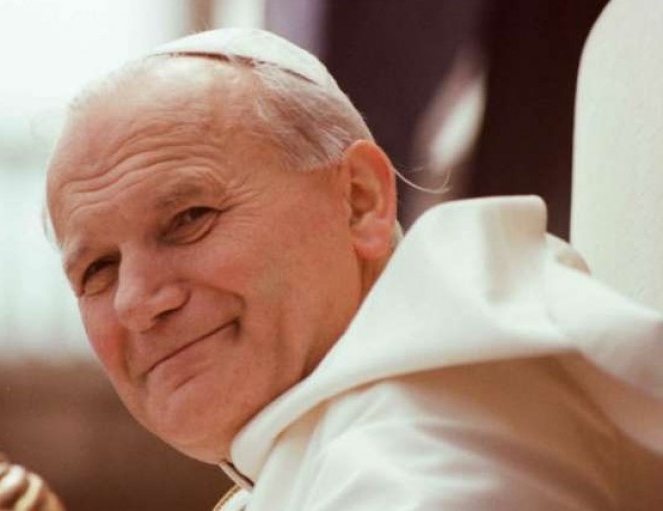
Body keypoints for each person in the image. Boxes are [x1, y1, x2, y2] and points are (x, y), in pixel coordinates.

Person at [44, 28, 663, 510]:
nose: (136, 301)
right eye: (97, 269)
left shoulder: (434, 454)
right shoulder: (321, 447)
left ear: (360, 201)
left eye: (189, 218)